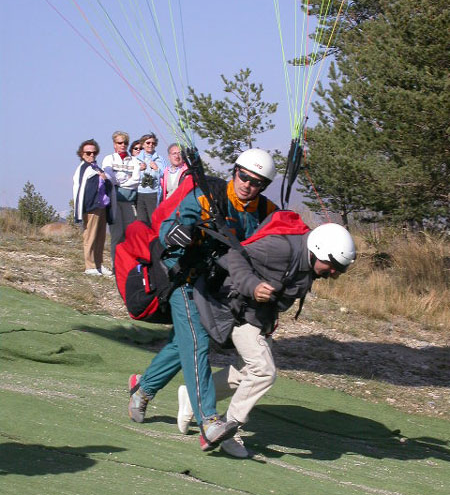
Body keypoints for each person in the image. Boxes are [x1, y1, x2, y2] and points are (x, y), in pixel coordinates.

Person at [128, 148, 278, 452]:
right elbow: (170, 225)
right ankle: (209, 421)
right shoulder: (208, 195)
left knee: (183, 343)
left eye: (256, 182)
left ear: (263, 186)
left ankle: (143, 389)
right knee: (196, 340)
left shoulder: (265, 212)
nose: (247, 184)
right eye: (243, 176)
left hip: (213, 284)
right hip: (181, 275)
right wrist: (177, 232)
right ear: (234, 171)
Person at [177, 218, 357, 457]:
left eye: (339, 269)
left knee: (246, 376)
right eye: (332, 265)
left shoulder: (310, 263)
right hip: (236, 310)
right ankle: (229, 430)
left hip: (261, 319)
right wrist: (252, 286)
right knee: (263, 371)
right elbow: (235, 256)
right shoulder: (279, 248)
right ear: (318, 250)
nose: (334, 272)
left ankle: (193, 398)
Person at [73, 139, 114, 276]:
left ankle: (98, 264)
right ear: (82, 154)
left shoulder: (96, 167)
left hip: (101, 206)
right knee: (90, 236)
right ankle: (89, 265)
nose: (91, 155)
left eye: (94, 152)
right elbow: (80, 189)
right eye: (88, 153)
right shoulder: (83, 169)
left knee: (100, 237)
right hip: (91, 207)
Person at [102, 131, 141, 267]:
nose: (123, 145)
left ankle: (128, 265)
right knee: (117, 235)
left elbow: (136, 180)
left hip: (129, 201)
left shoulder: (134, 161)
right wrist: (123, 181)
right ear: (114, 144)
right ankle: (116, 265)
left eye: (125, 143)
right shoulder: (109, 159)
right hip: (114, 201)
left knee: (129, 234)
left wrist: (120, 183)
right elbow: (109, 177)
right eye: (120, 143)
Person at [136, 132, 166, 224]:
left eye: (153, 143)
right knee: (141, 221)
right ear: (142, 144)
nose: (150, 145)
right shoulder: (136, 159)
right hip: (139, 193)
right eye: (148, 143)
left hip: (153, 193)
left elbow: (164, 175)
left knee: (154, 220)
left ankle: (155, 238)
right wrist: (139, 169)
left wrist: (157, 169)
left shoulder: (160, 159)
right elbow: (133, 176)